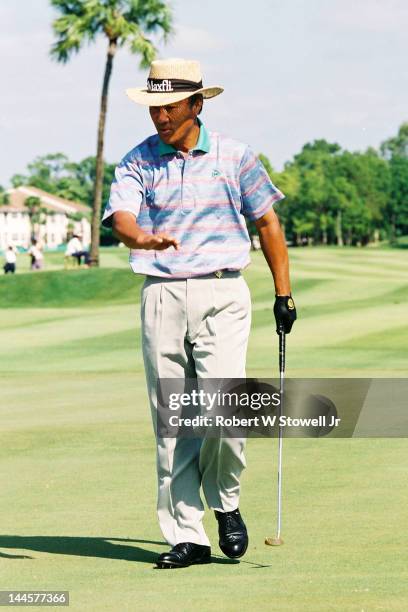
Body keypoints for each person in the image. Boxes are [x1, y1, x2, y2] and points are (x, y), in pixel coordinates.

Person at [102, 58, 297, 569]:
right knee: (174, 421)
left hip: (223, 292)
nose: (160, 117)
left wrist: (284, 293)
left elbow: (268, 223)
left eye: (168, 106)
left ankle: (226, 502)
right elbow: (121, 215)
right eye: (153, 107)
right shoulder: (136, 161)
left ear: (197, 103)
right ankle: (187, 535)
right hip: (162, 293)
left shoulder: (235, 156)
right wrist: (140, 236)